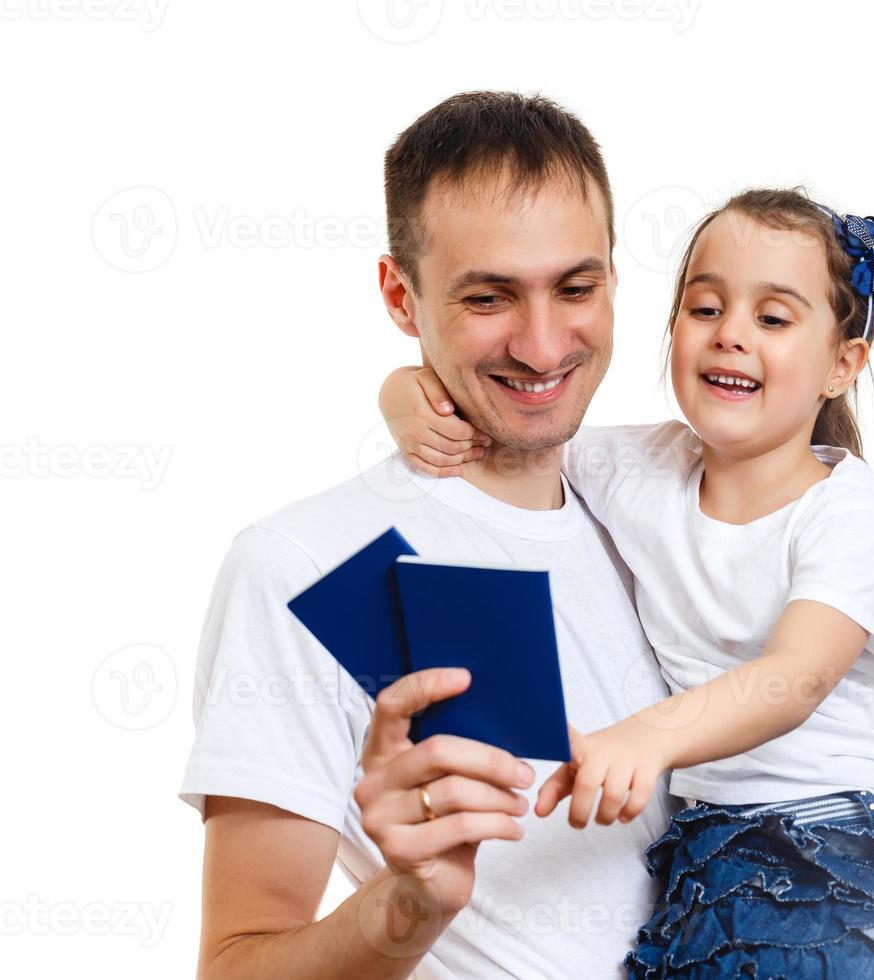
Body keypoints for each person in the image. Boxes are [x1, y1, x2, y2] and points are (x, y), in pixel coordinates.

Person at [380, 188, 874, 977]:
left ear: (841, 365)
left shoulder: (845, 508)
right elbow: (509, 435)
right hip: (720, 855)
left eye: (773, 320)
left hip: (861, 843)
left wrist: (648, 736)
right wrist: (403, 395)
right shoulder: (641, 468)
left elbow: (795, 676)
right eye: (705, 308)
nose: (731, 338)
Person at [179, 91, 676, 980]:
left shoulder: (662, 506)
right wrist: (407, 907)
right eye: (488, 296)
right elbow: (235, 966)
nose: (541, 343)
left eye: (576, 286)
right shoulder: (309, 567)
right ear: (399, 297)